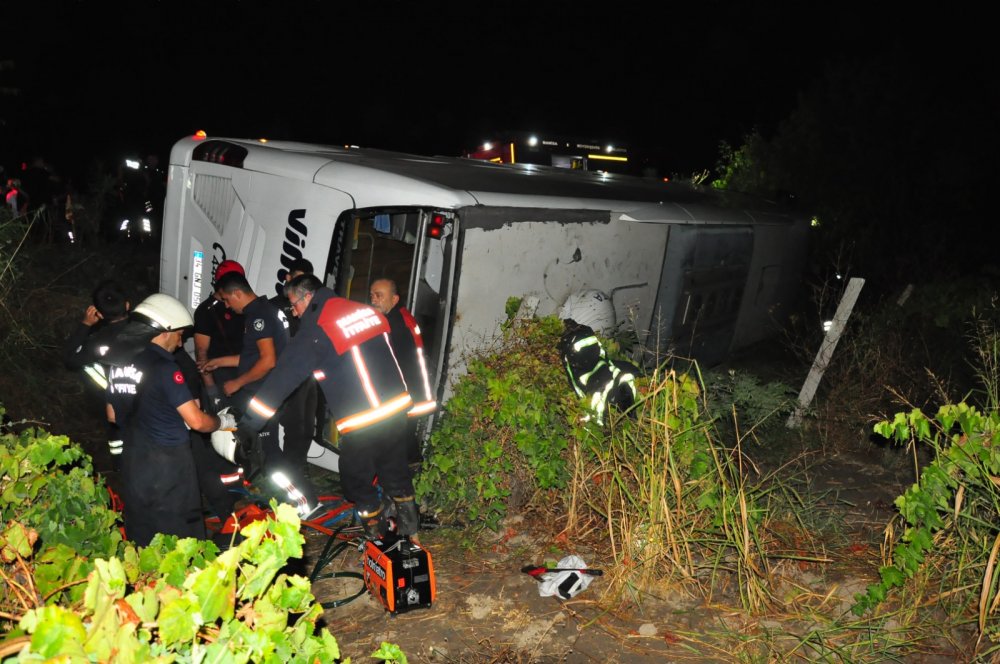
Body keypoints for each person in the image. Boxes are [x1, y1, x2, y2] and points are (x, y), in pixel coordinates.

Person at [234, 274, 419, 540]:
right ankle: (412, 536)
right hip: (396, 409)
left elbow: (281, 381)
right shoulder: (366, 311)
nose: (294, 314)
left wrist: (250, 424)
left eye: (293, 305)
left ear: (307, 297)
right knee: (395, 470)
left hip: (364, 420)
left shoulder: (317, 329)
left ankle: (380, 540)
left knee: (356, 483)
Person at [104, 293, 237, 546]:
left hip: (133, 464)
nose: (180, 342)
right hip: (169, 469)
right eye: (179, 334)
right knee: (183, 540)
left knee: (144, 537)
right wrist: (222, 423)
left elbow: (112, 414)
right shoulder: (165, 367)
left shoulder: (119, 363)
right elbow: (196, 422)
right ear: (164, 330)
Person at [200, 271, 317, 515]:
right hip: (270, 391)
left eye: (226, 300)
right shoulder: (267, 309)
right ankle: (292, 500)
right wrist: (219, 362)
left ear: (237, 293)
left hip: (262, 394)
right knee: (267, 452)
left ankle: (304, 502)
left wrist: (237, 383)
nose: (226, 306)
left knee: (271, 456)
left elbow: (267, 361)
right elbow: (253, 356)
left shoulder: (258, 316)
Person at [63, 279, 132, 469]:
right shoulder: (148, 331)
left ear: (98, 314)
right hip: (146, 399)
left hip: (114, 402)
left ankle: (120, 466)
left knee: (118, 439)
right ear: (127, 304)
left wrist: (85, 324)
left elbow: (69, 358)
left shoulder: (95, 342)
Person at [369, 278, 436, 465]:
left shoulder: (394, 325)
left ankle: (407, 483)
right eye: (372, 295)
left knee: (398, 447)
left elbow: (391, 362)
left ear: (395, 299)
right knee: (404, 444)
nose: (373, 300)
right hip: (410, 393)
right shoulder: (401, 316)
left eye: (379, 295)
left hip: (405, 395)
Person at [269, 258, 319, 492]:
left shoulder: (313, 306)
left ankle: (299, 464)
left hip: (309, 375)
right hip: (288, 373)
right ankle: (290, 473)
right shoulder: (274, 307)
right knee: (293, 425)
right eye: (295, 277)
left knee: (306, 425)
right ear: (287, 277)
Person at [558, 319, 639, 426]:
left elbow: (572, 378)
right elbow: (603, 355)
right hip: (601, 373)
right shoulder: (586, 330)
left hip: (596, 375)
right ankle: (630, 416)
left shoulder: (570, 340)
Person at [193, 260, 246, 413]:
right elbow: (201, 352)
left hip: (242, 374)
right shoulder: (206, 311)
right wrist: (211, 390)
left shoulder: (243, 306)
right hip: (219, 376)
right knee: (223, 432)